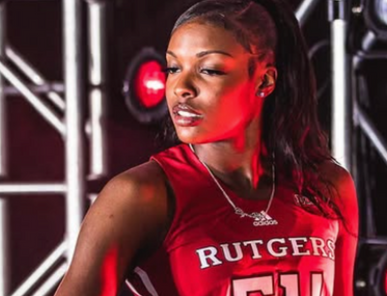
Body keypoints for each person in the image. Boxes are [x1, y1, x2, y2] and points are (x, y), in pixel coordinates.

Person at [54, 0, 359, 295]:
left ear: (264, 81)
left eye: (209, 69)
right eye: (173, 68)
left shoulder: (328, 186)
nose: (181, 87)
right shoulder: (141, 196)